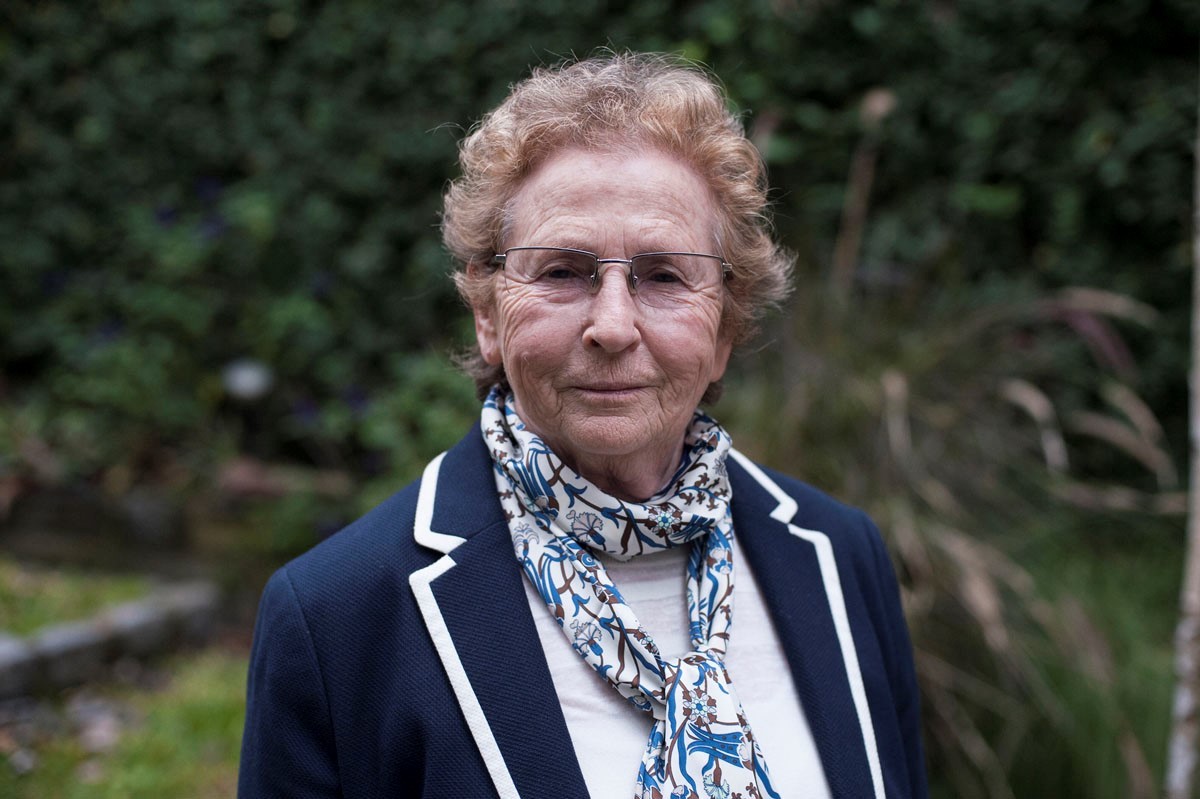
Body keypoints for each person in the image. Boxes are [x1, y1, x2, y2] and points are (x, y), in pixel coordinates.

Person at [239, 52, 927, 799]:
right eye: (562, 272)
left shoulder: (839, 556)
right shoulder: (338, 616)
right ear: (487, 314)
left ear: (725, 329)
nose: (613, 325)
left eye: (664, 275)